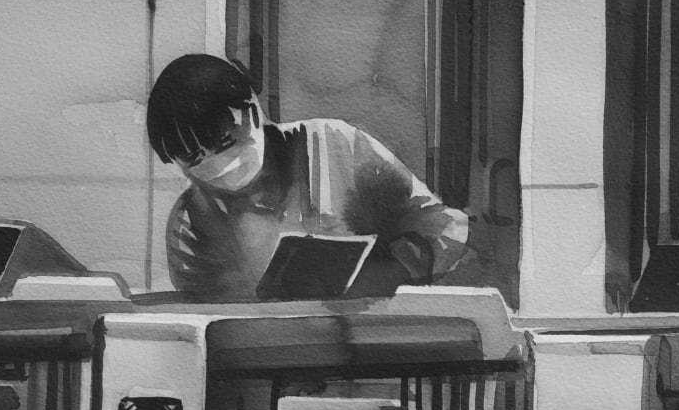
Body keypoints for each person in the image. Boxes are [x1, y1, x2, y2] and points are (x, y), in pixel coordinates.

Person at [147, 54, 470, 302]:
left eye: (227, 142)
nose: (219, 167)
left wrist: (381, 275)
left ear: (253, 112)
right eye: (194, 160)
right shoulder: (190, 223)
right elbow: (200, 324)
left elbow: (444, 226)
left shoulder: (335, 145)